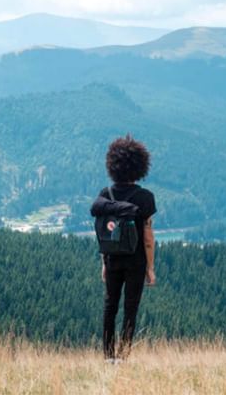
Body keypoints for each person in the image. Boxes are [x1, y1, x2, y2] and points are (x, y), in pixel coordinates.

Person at [96, 134, 157, 362]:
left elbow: (104, 230)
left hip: (112, 258)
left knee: (110, 305)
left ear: (113, 166)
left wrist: (104, 262)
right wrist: (150, 268)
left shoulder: (106, 196)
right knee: (130, 308)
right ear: (140, 167)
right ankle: (123, 357)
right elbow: (148, 237)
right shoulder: (145, 197)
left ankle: (107, 357)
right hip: (136, 260)